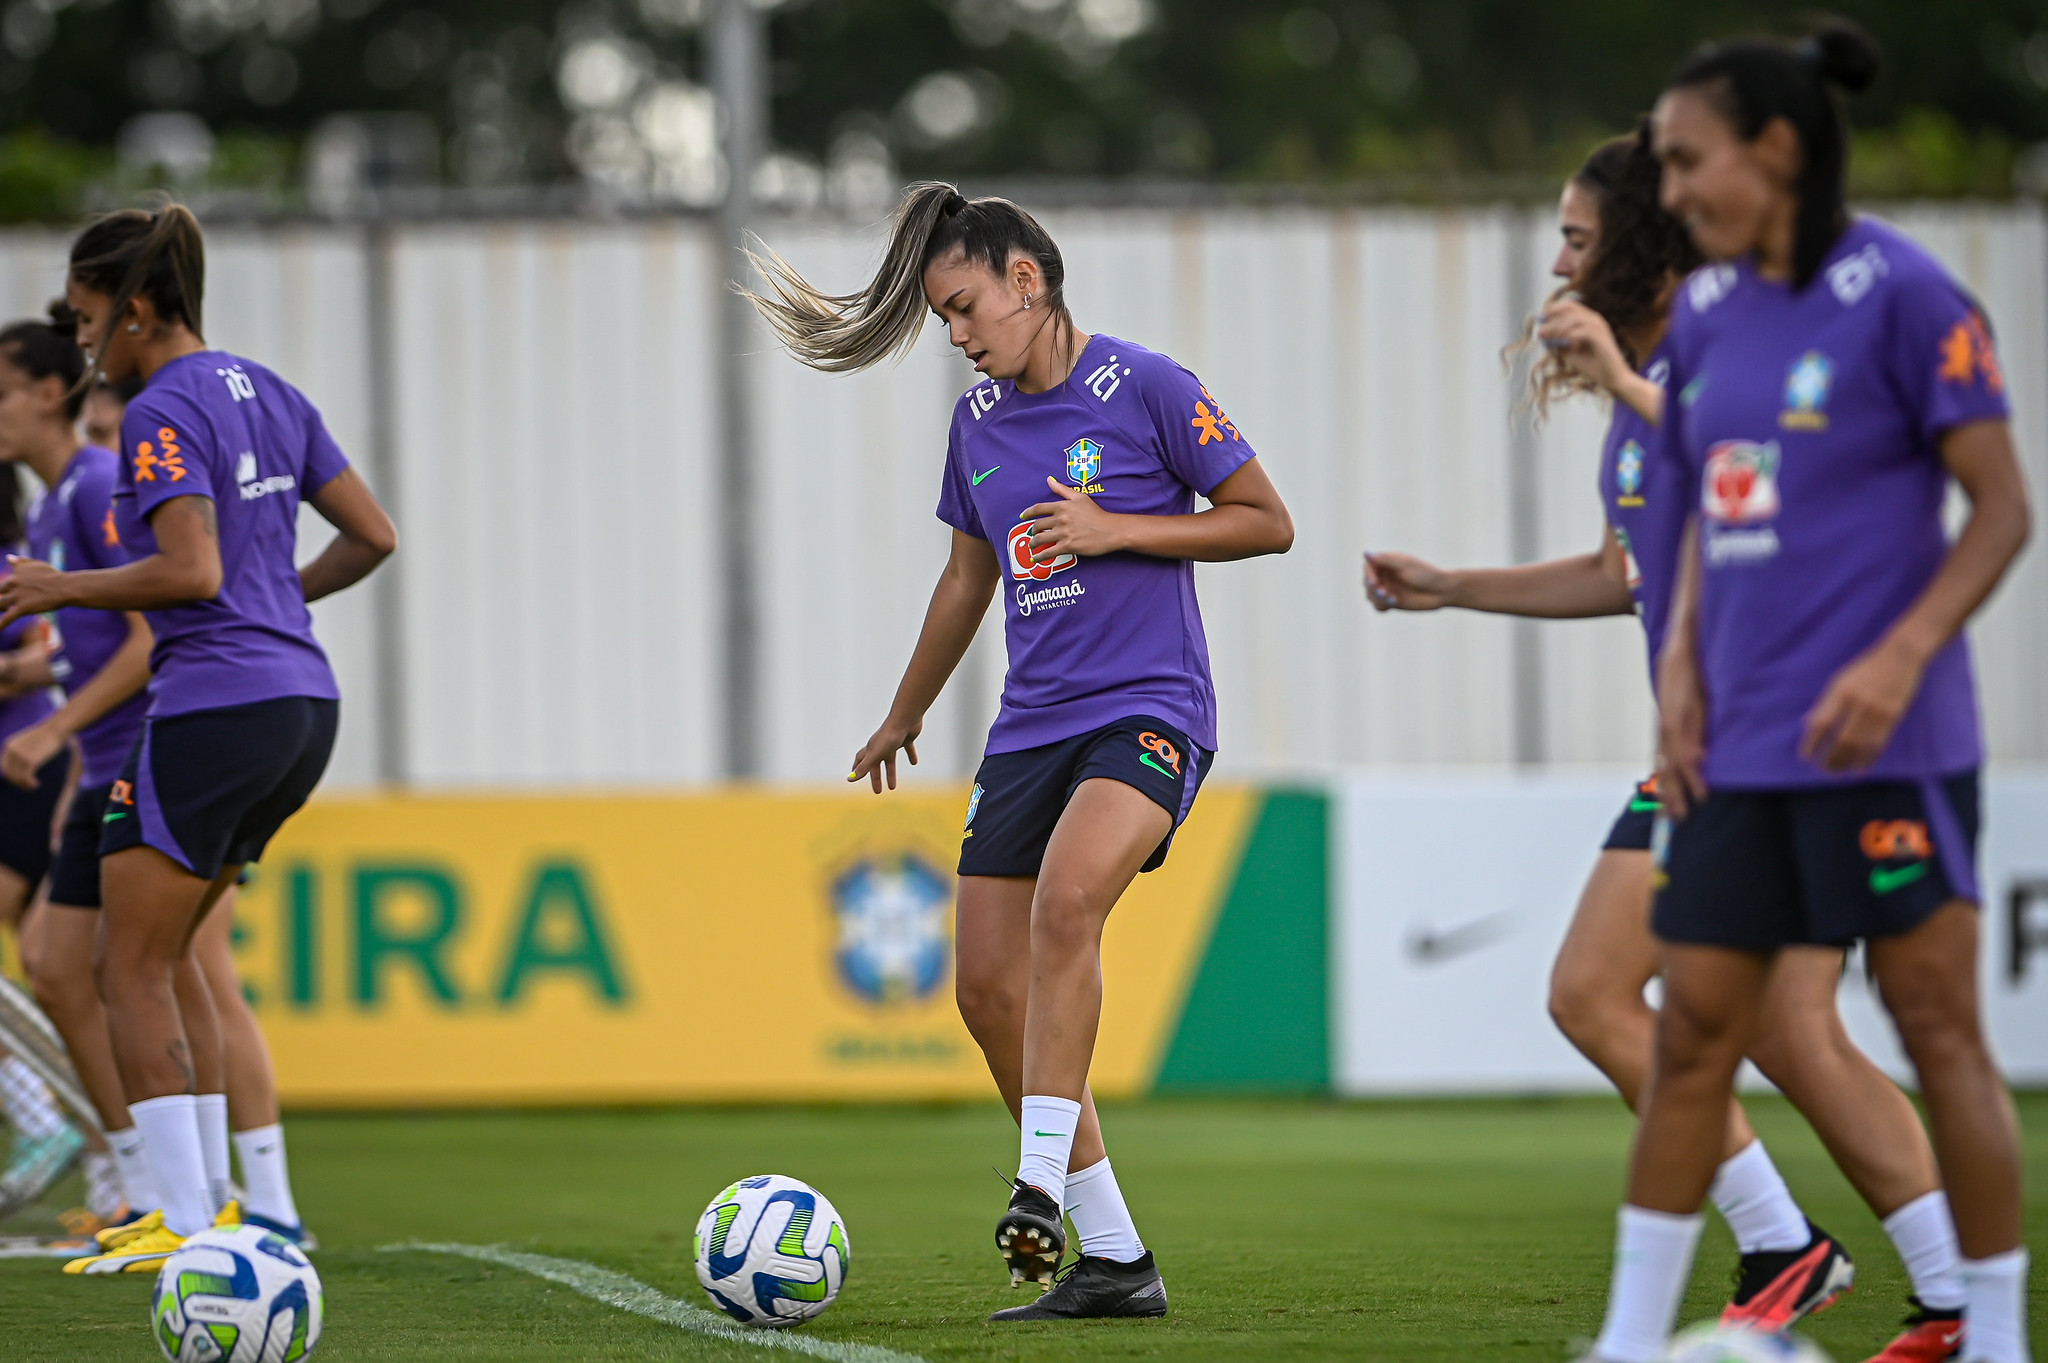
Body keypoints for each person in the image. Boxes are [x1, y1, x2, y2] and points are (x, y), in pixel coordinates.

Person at [1366, 130, 1973, 1362]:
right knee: (1761, 1022)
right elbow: (1619, 571)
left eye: (1577, 237)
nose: (1557, 262)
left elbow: (1780, 492)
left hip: (1789, 737)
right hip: (1717, 746)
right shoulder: (1650, 396)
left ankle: (1830, 1262)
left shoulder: (1731, 365)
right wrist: (1453, 585)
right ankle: (1912, 1286)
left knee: (1616, 995)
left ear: (1644, 245)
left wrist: (1632, 386)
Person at [745, 183, 1294, 1321]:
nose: (955, 335)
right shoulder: (978, 425)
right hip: (1029, 728)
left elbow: (1264, 519)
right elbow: (966, 579)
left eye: (962, 307)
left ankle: (1036, 1181)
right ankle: (1116, 1260)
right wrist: (903, 710)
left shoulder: (1147, 385)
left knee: (1068, 899)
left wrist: (1116, 527)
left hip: (1148, 709)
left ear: (1025, 280)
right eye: (943, 316)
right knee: (986, 989)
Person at [1589, 22, 2031, 1363]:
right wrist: (1679, 676)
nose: (1669, 193)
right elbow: (1698, 517)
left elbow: (2001, 510)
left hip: (1888, 747)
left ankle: (1993, 1333)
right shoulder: (1708, 313)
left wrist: (1899, 656)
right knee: (1693, 1041)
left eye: (1687, 161)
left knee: (1938, 1030)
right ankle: (1627, 1340)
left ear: (1775, 149)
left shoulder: (1909, 295)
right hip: (1736, 754)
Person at [0, 203, 397, 1274]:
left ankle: (183, 1217)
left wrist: (60, 587)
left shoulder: (158, 409)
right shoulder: (270, 389)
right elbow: (373, 535)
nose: (82, 340)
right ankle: (218, 1209)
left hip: (213, 708)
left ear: (134, 310)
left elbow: (192, 571)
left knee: (122, 966)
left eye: (87, 317)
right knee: (172, 964)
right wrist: (279, 604)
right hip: (300, 704)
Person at [0, 307, 153, 1228]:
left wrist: (49, 730)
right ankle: (127, 1170)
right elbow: (75, 646)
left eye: (2, 391)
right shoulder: (53, 506)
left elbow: (148, 634)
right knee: (60, 970)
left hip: (143, 753)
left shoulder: (97, 481)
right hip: (92, 764)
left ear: (51, 392)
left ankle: (209, 1189)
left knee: (155, 976)